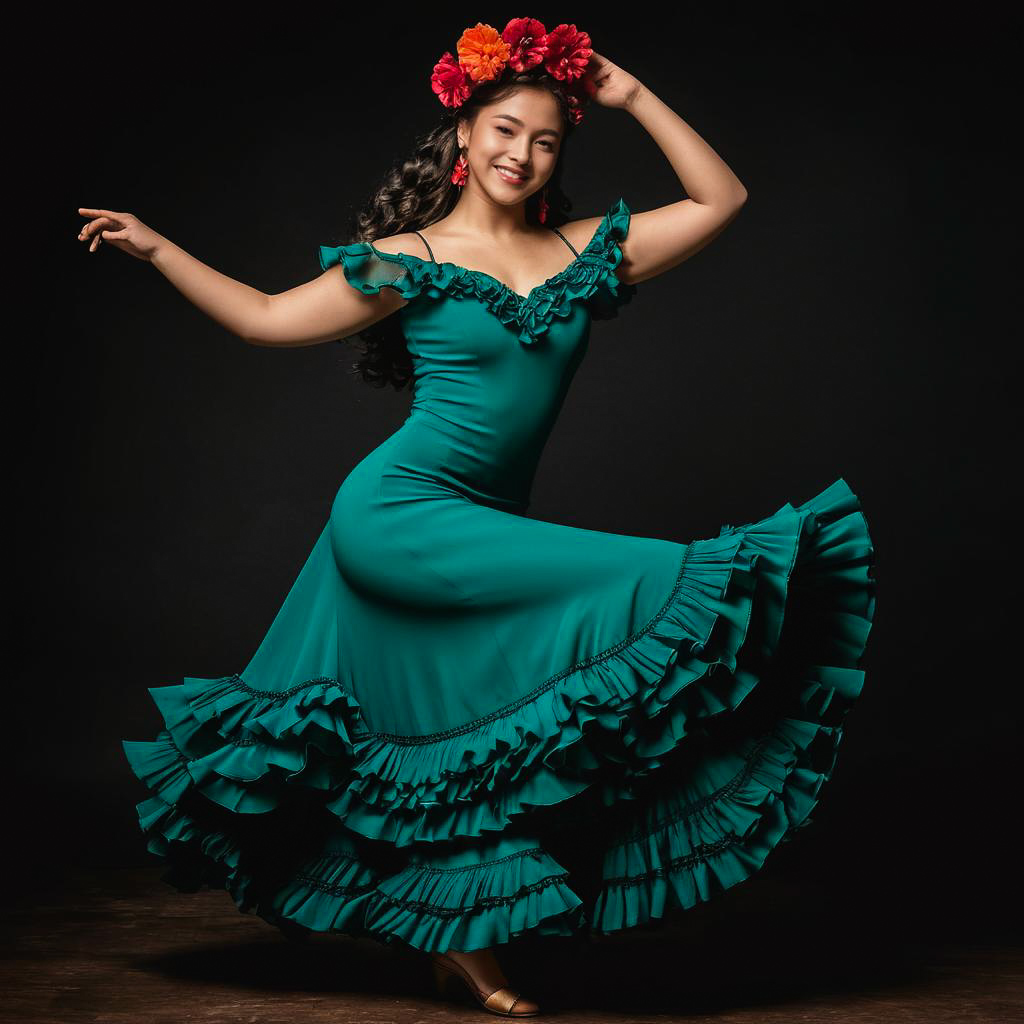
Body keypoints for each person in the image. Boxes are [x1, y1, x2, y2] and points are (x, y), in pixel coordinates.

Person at [95, 18, 877, 1019]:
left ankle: (465, 942)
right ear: (462, 136)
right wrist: (155, 245)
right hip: (400, 517)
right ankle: (468, 938)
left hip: (487, 523)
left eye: (546, 139)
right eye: (504, 130)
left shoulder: (586, 252)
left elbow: (721, 198)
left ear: (561, 153)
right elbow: (260, 316)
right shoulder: (405, 259)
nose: (521, 153)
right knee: (665, 583)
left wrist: (630, 94)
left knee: (475, 736)